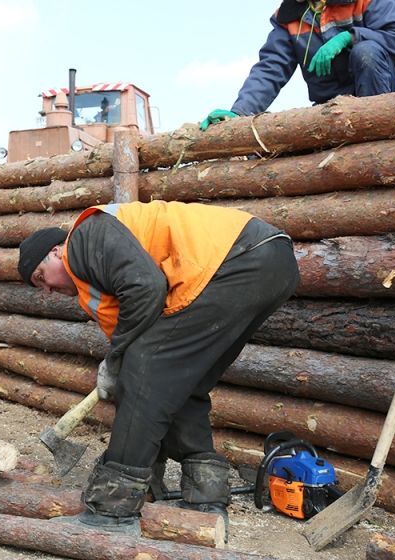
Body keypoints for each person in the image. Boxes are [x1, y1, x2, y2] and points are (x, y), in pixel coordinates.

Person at [18, 200, 300, 537]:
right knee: (183, 381)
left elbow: (146, 287)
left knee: (146, 371)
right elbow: (136, 330)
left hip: (237, 259)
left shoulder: (83, 239)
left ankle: (112, 512)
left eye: (41, 277)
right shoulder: (92, 278)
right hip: (270, 261)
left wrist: (120, 360)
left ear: (55, 251)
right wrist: (119, 361)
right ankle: (205, 499)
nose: (47, 289)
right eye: (41, 288)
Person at [200, 0, 395, 131]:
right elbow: (271, 68)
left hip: (388, 91)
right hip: (334, 105)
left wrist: (352, 37)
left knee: (366, 52)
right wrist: (240, 112)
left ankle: (377, 134)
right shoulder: (288, 16)